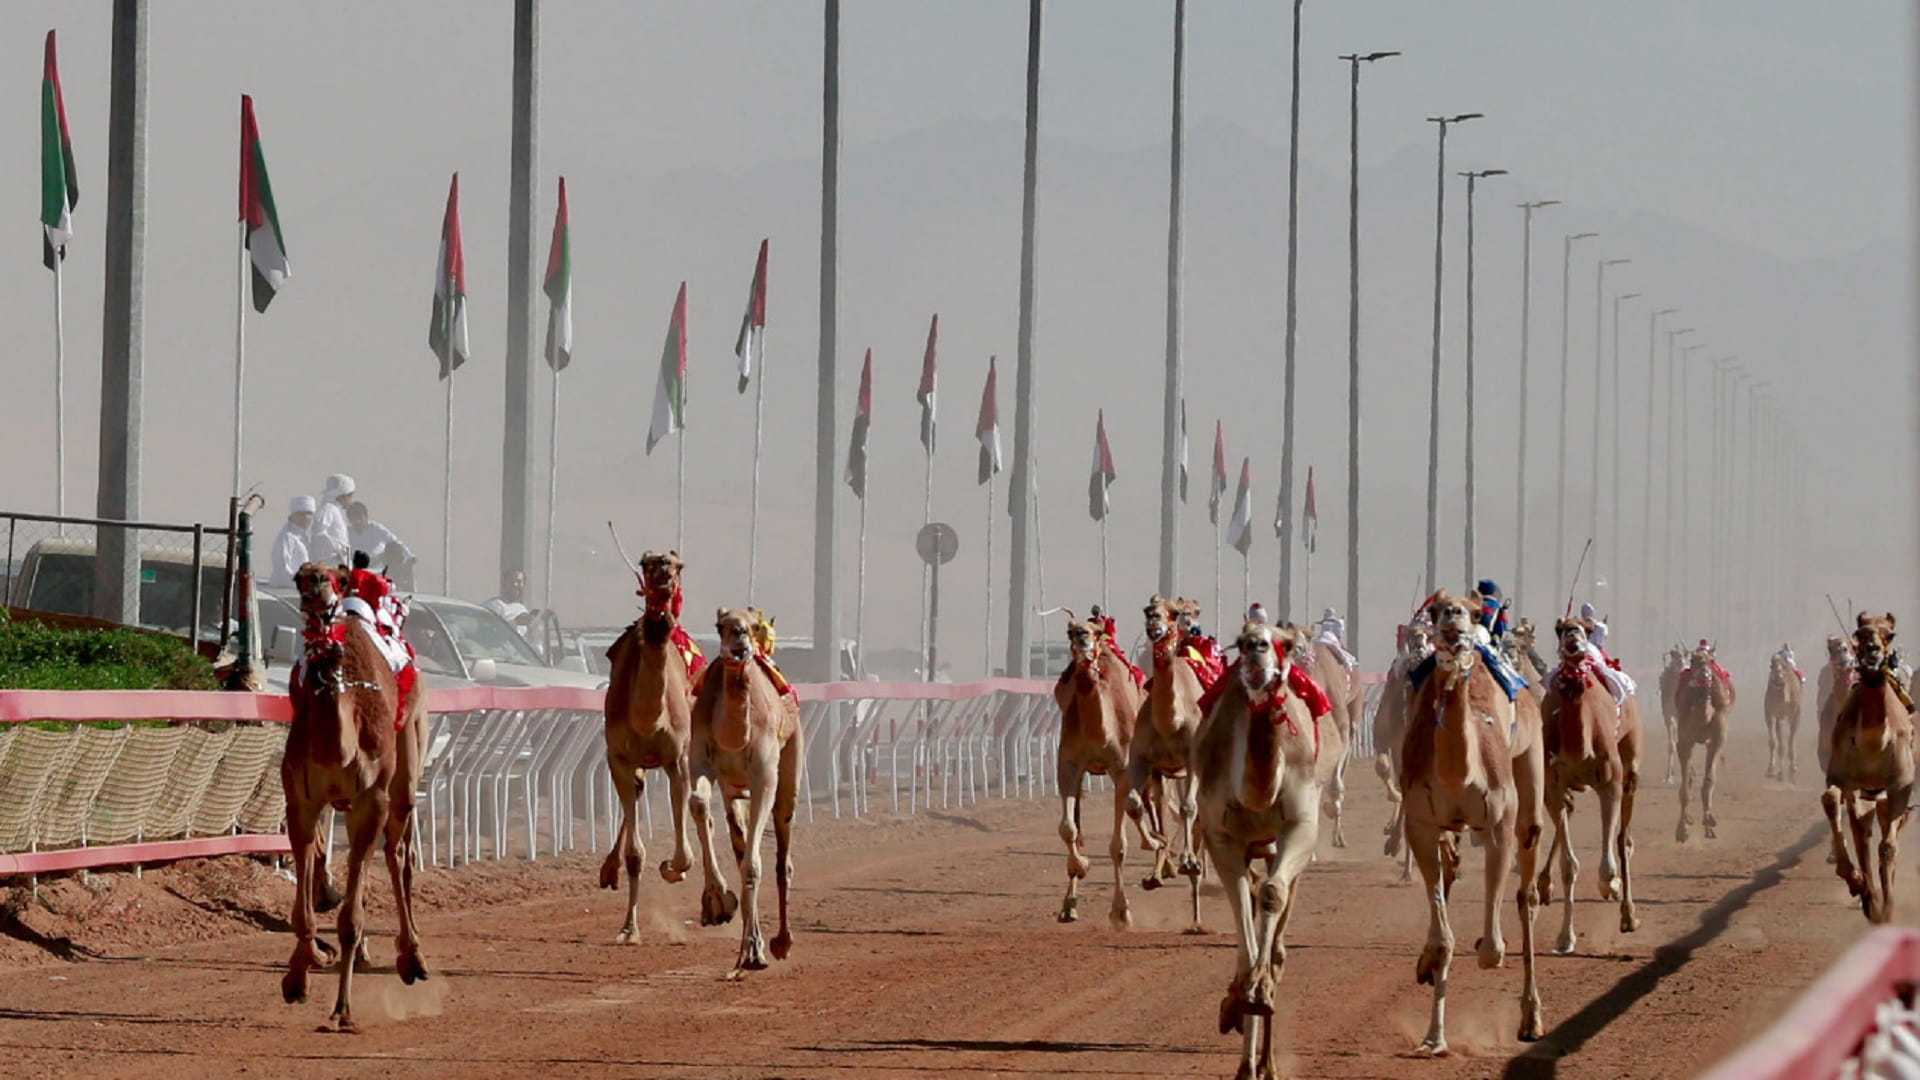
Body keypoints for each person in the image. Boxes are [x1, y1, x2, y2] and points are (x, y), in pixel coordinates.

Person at [346, 502, 416, 585]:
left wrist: (409, 556)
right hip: (356, 567)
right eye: (354, 519)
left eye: (360, 518)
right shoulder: (347, 532)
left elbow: (395, 541)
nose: (357, 522)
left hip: (378, 566)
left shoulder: (376, 528)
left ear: (366, 516)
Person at [308, 473, 355, 568]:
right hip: (331, 565)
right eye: (350, 495)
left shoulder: (335, 510)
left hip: (339, 564)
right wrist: (338, 548)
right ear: (342, 495)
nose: (351, 499)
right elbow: (318, 533)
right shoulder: (327, 509)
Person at [268, 496, 314, 588]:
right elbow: (282, 567)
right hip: (285, 589)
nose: (306, 517)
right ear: (292, 516)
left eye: (309, 514)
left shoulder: (302, 537)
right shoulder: (287, 536)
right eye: (302, 514)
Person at [485, 568, 538, 637]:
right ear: (504, 584)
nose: (515, 584)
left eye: (519, 581)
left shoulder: (522, 609)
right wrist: (515, 622)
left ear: (523, 584)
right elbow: (490, 632)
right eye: (511, 581)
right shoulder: (493, 606)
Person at [1313, 606, 1359, 671]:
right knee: (1341, 654)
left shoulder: (1324, 622)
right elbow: (1339, 637)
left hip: (1319, 640)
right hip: (1331, 640)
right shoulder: (1338, 623)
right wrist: (1343, 647)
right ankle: (1347, 665)